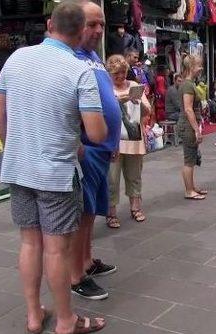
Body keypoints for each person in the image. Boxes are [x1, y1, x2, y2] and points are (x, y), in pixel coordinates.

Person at [0, 2, 106, 334]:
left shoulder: (16, 59)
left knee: (29, 243)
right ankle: (66, 320)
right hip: (56, 172)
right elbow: (97, 132)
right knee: (56, 248)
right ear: (82, 30)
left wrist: (16, 147)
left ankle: (32, 314)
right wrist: (76, 138)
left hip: (19, 169)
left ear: (49, 24)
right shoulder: (79, 70)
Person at [69, 1, 121, 301]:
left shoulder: (93, 56)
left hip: (102, 148)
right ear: (75, 24)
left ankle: (87, 261)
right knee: (81, 214)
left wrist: (113, 142)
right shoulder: (69, 57)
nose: (99, 30)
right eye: (92, 24)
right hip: (85, 150)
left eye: (101, 24)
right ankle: (76, 275)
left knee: (91, 213)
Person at [106, 54, 152, 227]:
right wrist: (122, 99)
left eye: (123, 72)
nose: (120, 76)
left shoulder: (134, 85)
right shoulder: (107, 88)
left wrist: (141, 102)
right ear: (110, 73)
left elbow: (147, 110)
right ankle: (111, 213)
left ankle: (136, 207)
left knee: (134, 176)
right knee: (112, 178)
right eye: (116, 73)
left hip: (134, 138)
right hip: (113, 141)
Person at [177, 55, 207, 200]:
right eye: (199, 66)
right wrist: (196, 130)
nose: (201, 69)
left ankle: (191, 187)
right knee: (189, 159)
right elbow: (188, 109)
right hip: (187, 125)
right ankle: (189, 190)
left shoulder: (188, 83)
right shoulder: (188, 85)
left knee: (192, 157)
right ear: (191, 67)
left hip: (187, 124)